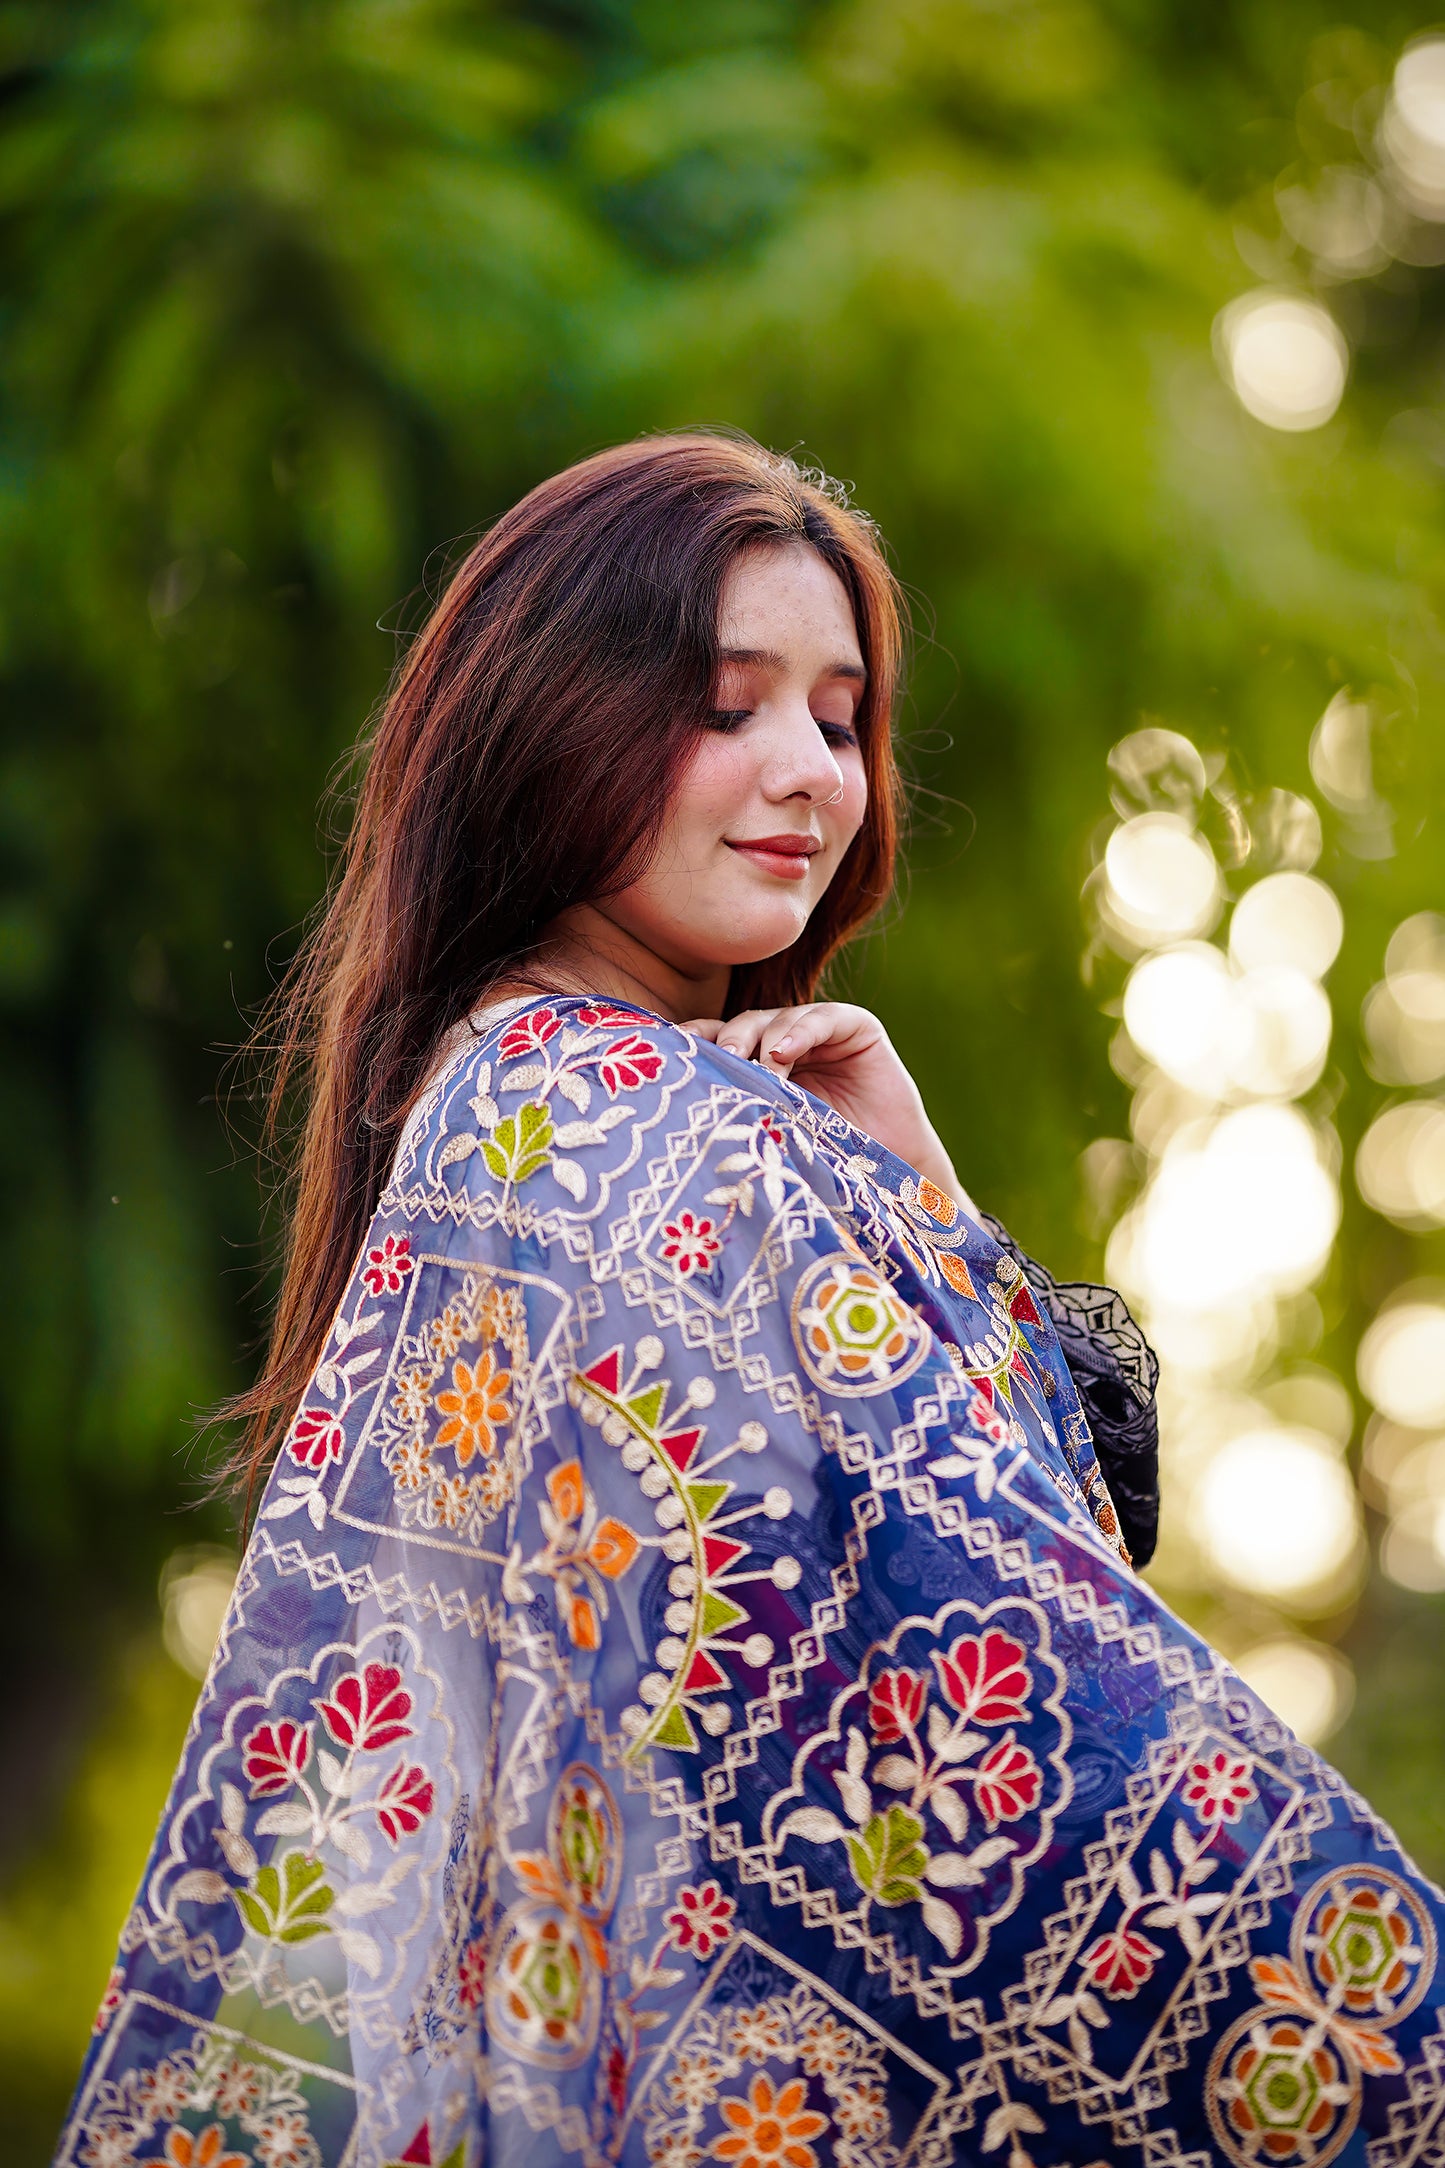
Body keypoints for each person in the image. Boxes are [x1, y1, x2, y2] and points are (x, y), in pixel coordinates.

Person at [58, 433, 1440, 2168]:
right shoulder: (624, 1129)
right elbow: (986, 1679)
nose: (808, 771)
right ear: (550, 719)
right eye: (728, 706)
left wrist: (919, 1198)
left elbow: (1009, 1545)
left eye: (841, 717)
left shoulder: (507, 1107)